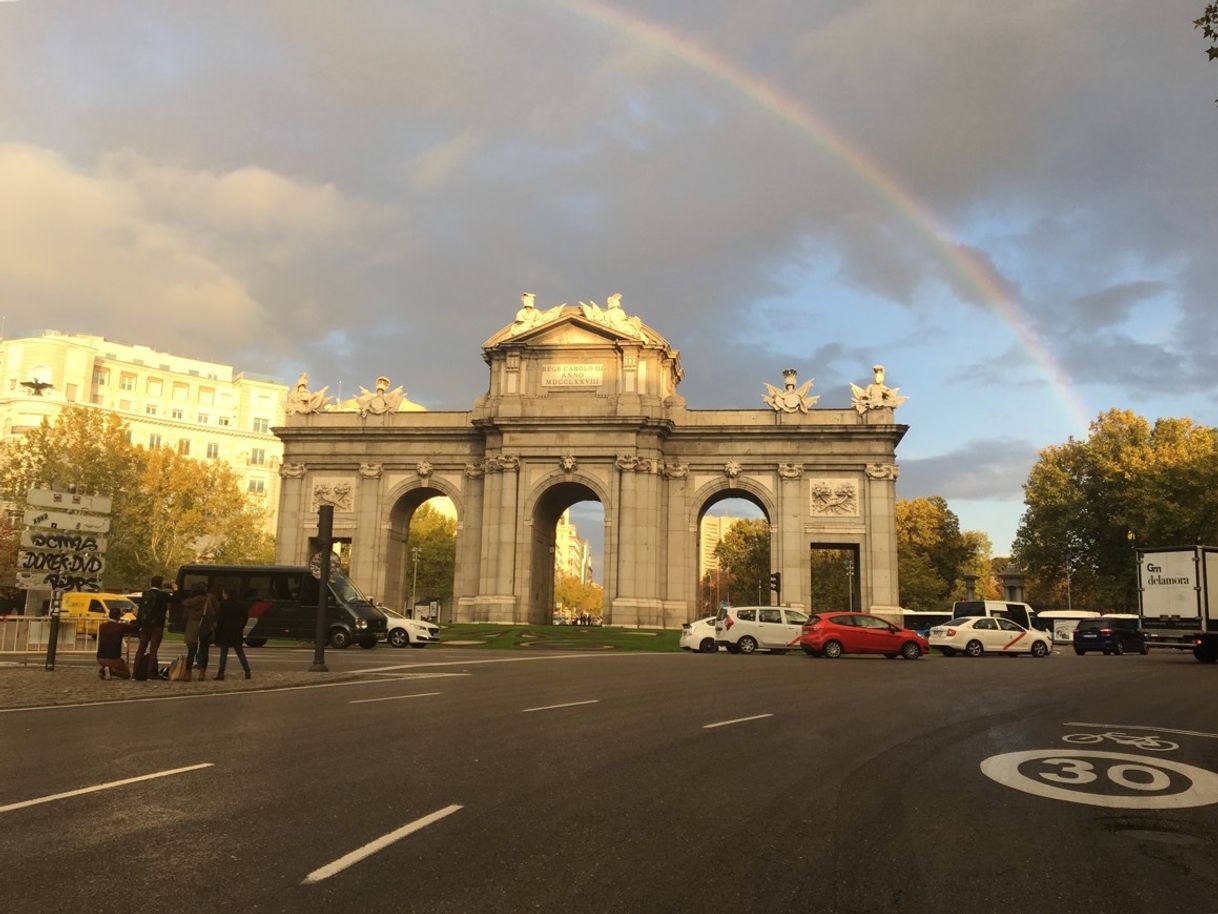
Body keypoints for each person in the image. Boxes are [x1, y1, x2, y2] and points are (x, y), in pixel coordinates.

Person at [132, 575, 171, 681]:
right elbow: (176, 599)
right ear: (161, 584)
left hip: (145, 625)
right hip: (157, 626)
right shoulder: (163, 595)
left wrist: (138, 624)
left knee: (141, 649)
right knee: (153, 650)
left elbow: (141, 611)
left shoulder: (145, 594)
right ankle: (151, 673)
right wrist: (175, 589)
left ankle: (135, 672)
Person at [182, 581, 217, 681]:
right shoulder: (206, 601)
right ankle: (202, 673)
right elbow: (211, 613)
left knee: (191, 652)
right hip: (204, 627)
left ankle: (188, 673)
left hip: (191, 627)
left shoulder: (188, 603)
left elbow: (184, 616)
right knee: (204, 651)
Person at [214, 585, 251, 680]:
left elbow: (220, 619)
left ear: (226, 594)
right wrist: (241, 625)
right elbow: (246, 616)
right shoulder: (240, 604)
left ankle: (221, 673)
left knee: (223, 653)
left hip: (225, 630)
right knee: (240, 652)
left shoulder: (223, 605)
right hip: (236, 630)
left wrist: (218, 629)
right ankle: (247, 671)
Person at [96, 605, 139, 680]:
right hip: (114, 658)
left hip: (100, 657)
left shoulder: (102, 626)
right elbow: (134, 628)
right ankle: (112, 671)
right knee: (126, 674)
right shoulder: (121, 626)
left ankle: (104, 669)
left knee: (113, 662)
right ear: (119, 616)